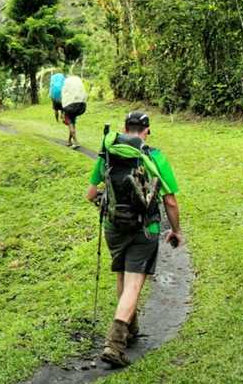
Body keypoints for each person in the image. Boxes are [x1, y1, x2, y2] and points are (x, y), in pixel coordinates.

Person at [86, 111, 184, 368]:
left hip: (113, 227)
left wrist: (111, 209)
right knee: (134, 284)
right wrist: (176, 231)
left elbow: (91, 193)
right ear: (147, 131)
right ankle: (115, 344)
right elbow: (170, 200)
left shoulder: (108, 153)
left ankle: (131, 327)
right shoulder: (154, 156)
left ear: (124, 128)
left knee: (122, 275)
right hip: (145, 228)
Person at [61, 75, 87, 147]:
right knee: (72, 123)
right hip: (80, 105)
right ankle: (69, 141)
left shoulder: (66, 84)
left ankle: (76, 142)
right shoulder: (77, 84)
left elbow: (63, 96)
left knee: (70, 123)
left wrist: (62, 111)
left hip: (70, 106)